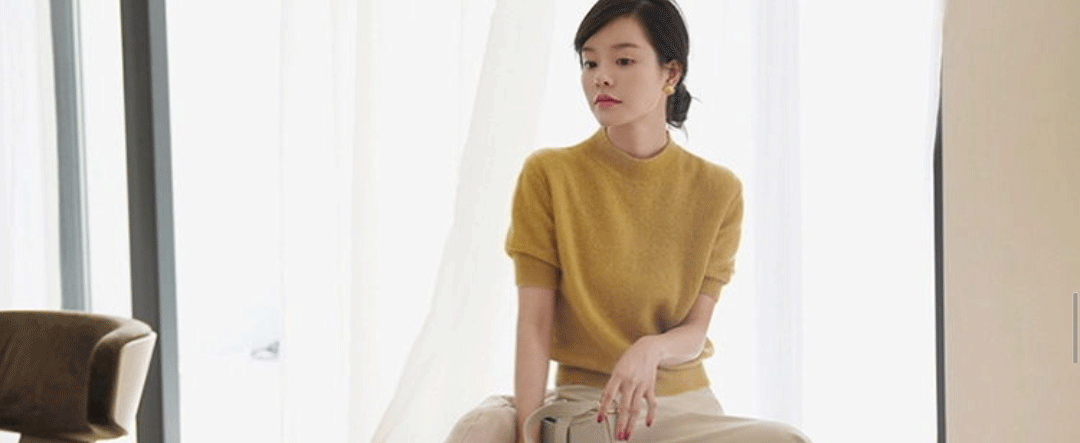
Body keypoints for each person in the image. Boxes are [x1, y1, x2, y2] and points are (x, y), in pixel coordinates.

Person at [446, 1, 812, 442]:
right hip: (592, 406)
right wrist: (529, 433)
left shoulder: (719, 190)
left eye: (623, 61)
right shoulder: (550, 176)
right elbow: (534, 325)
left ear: (670, 73)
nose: (601, 76)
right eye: (590, 62)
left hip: (687, 408)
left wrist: (651, 349)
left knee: (785, 438)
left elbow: (695, 333)